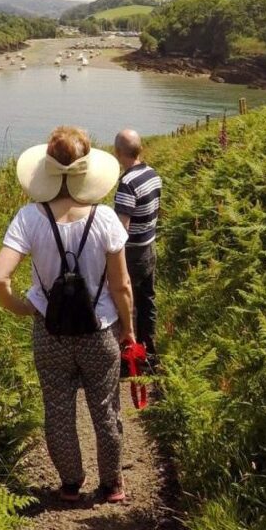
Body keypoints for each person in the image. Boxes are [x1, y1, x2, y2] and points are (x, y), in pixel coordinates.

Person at [0, 126, 135, 503]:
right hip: (99, 330)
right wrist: (128, 330)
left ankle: (71, 483)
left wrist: (23, 308)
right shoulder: (105, 219)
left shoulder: (29, 217)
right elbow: (122, 287)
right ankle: (113, 484)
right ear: (87, 171)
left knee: (57, 409)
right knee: (104, 408)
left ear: (46, 170)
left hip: (49, 330)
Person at [113, 129, 162, 365]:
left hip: (132, 252)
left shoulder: (127, 183)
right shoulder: (152, 174)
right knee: (147, 301)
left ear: (118, 152)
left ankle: (129, 358)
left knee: (126, 305)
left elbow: (121, 228)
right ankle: (150, 352)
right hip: (149, 246)